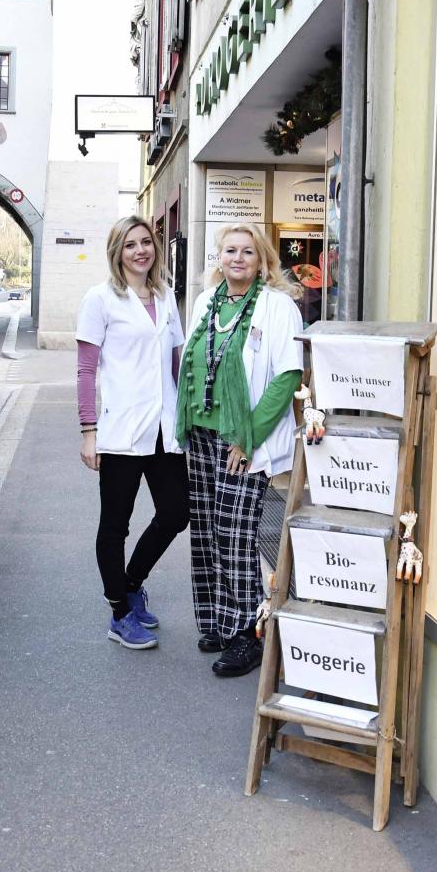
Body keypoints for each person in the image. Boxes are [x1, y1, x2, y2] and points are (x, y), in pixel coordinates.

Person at [176, 223, 304, 676]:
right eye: (230, 250)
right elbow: (191, 363)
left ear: (262, 259)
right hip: (203, 437)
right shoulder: (205, 303)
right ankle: (217, 620)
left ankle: (248, 631)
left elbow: (288, 377)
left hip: (244, 441)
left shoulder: (278, 307)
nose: (237, 258)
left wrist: (247, 437)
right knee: (208, 534)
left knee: (235, 537)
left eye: (247, 252)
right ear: (219, 257)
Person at [76, 216, 189, 650]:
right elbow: (86, 370)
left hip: (165, 429)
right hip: (121, 430)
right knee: (115, 525)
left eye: (146, 242)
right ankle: (119, 612)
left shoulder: (165, 296)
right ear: (117, 252)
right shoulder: (100, 299)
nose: (140, 250)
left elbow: (176, 364)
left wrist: (189, 417)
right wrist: (89, 430)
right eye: (130, 245)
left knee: (176, 513)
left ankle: (131, 583)